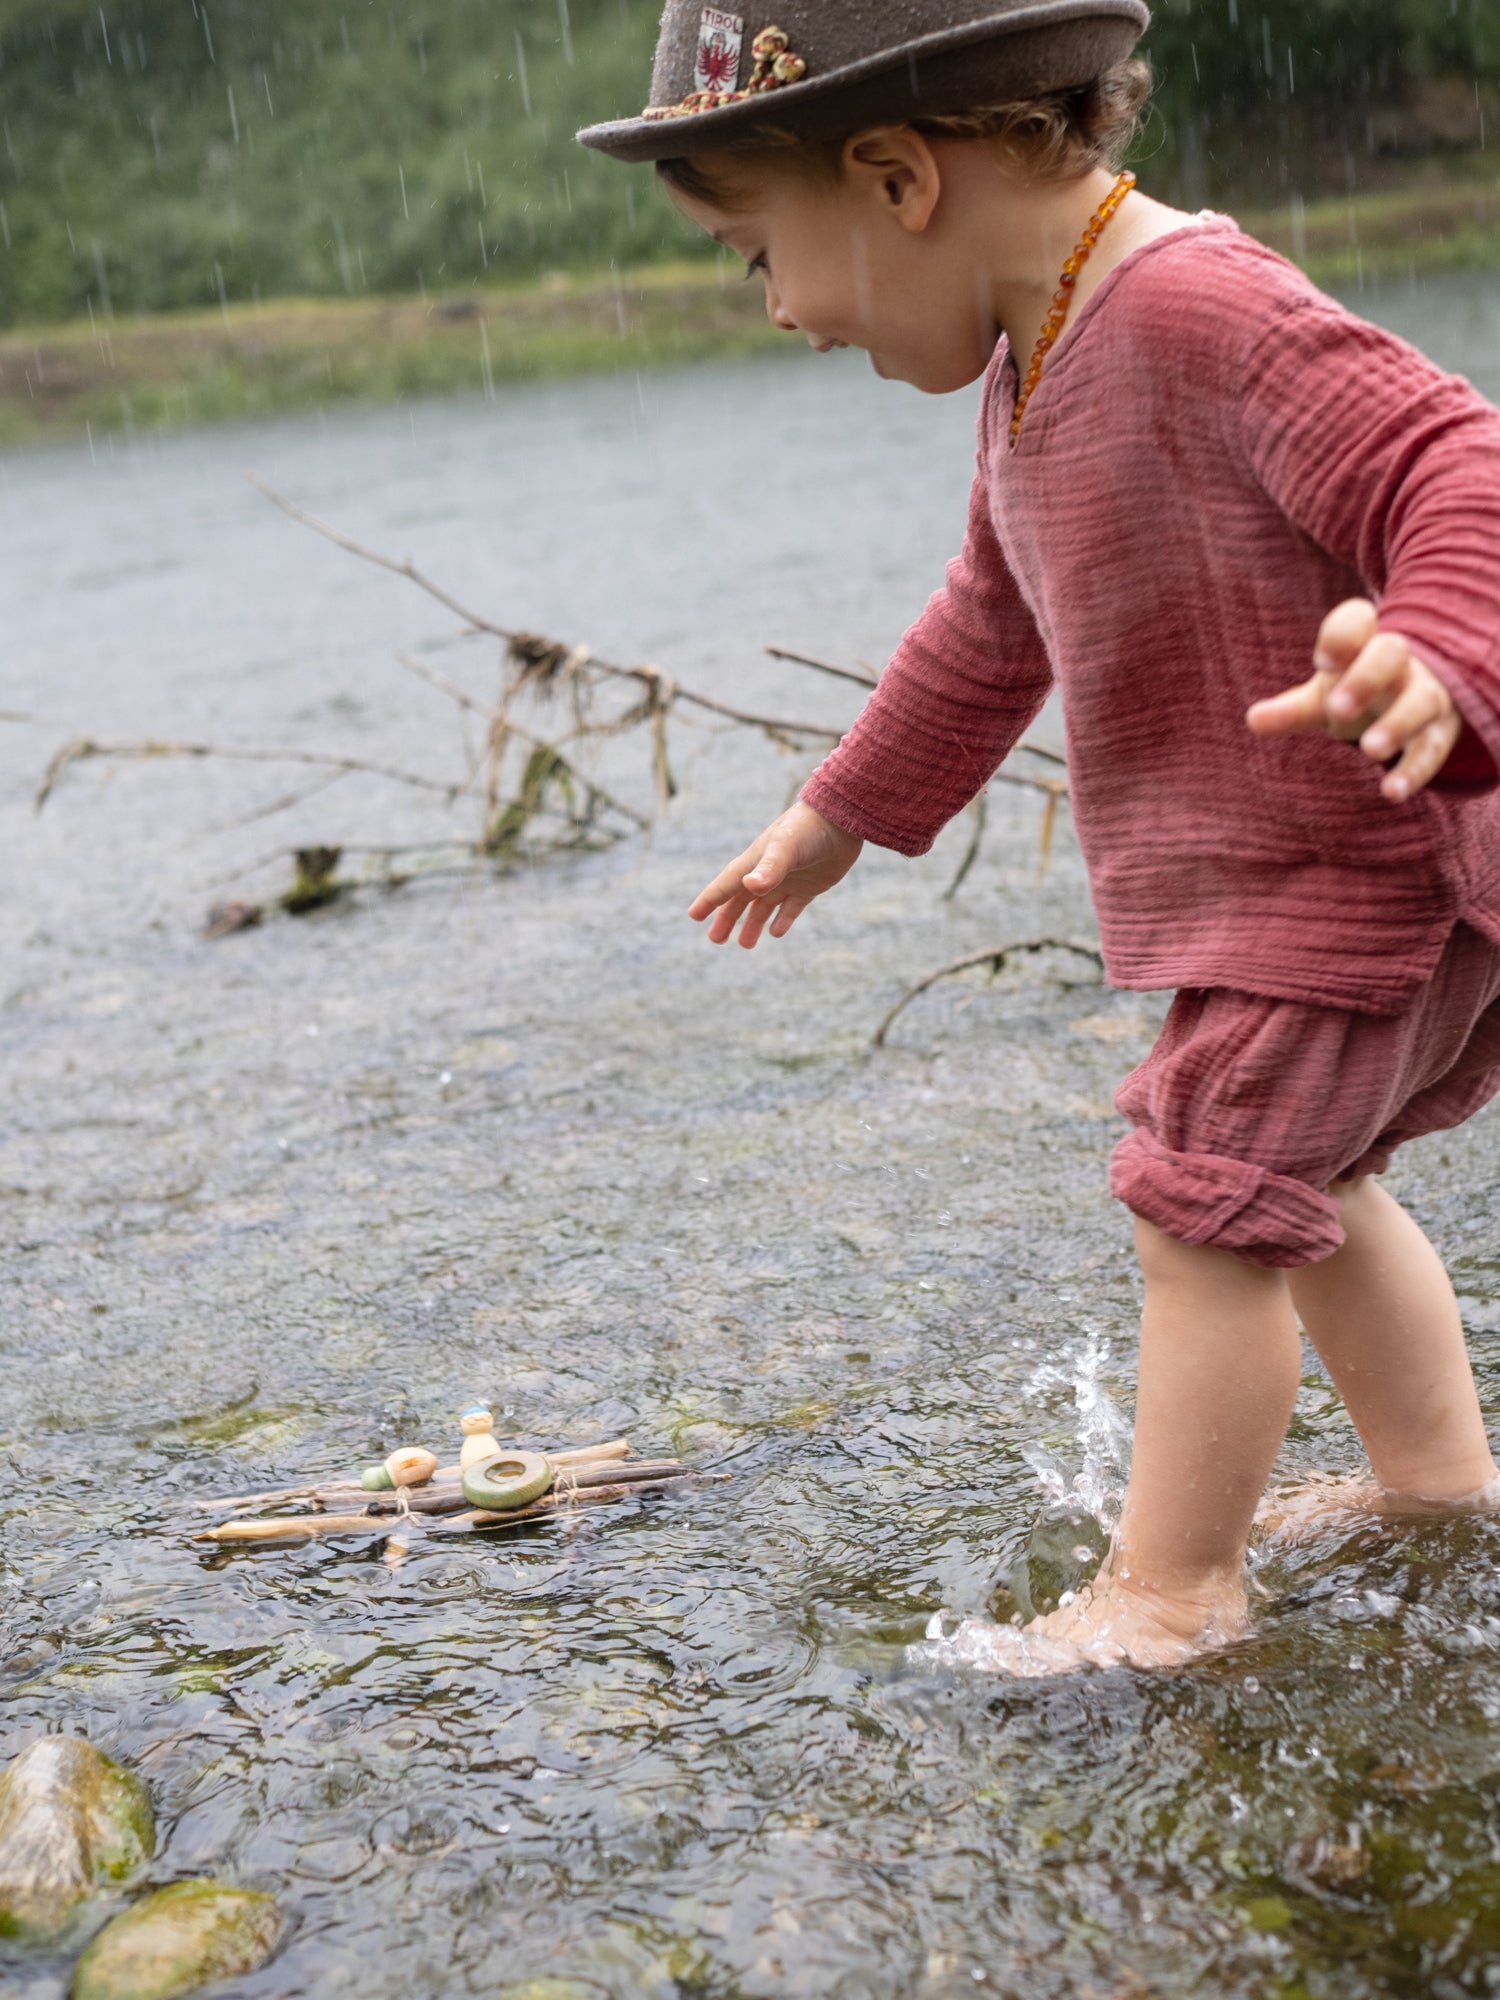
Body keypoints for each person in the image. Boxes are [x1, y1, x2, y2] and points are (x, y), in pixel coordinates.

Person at [577, 2, 1500, 1670]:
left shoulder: (1200, 308)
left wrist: (1437, 644)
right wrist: (839, 810)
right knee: (1311, 1178)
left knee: (1200, 1191)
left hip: (1353, 863)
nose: (777, 308)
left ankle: (1175, 1588)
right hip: (1310, 876)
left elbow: (1456, 464)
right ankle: (1435, 1488)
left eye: (755, 254)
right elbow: (988, 624)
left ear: (893, 175)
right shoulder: (1042, 356)